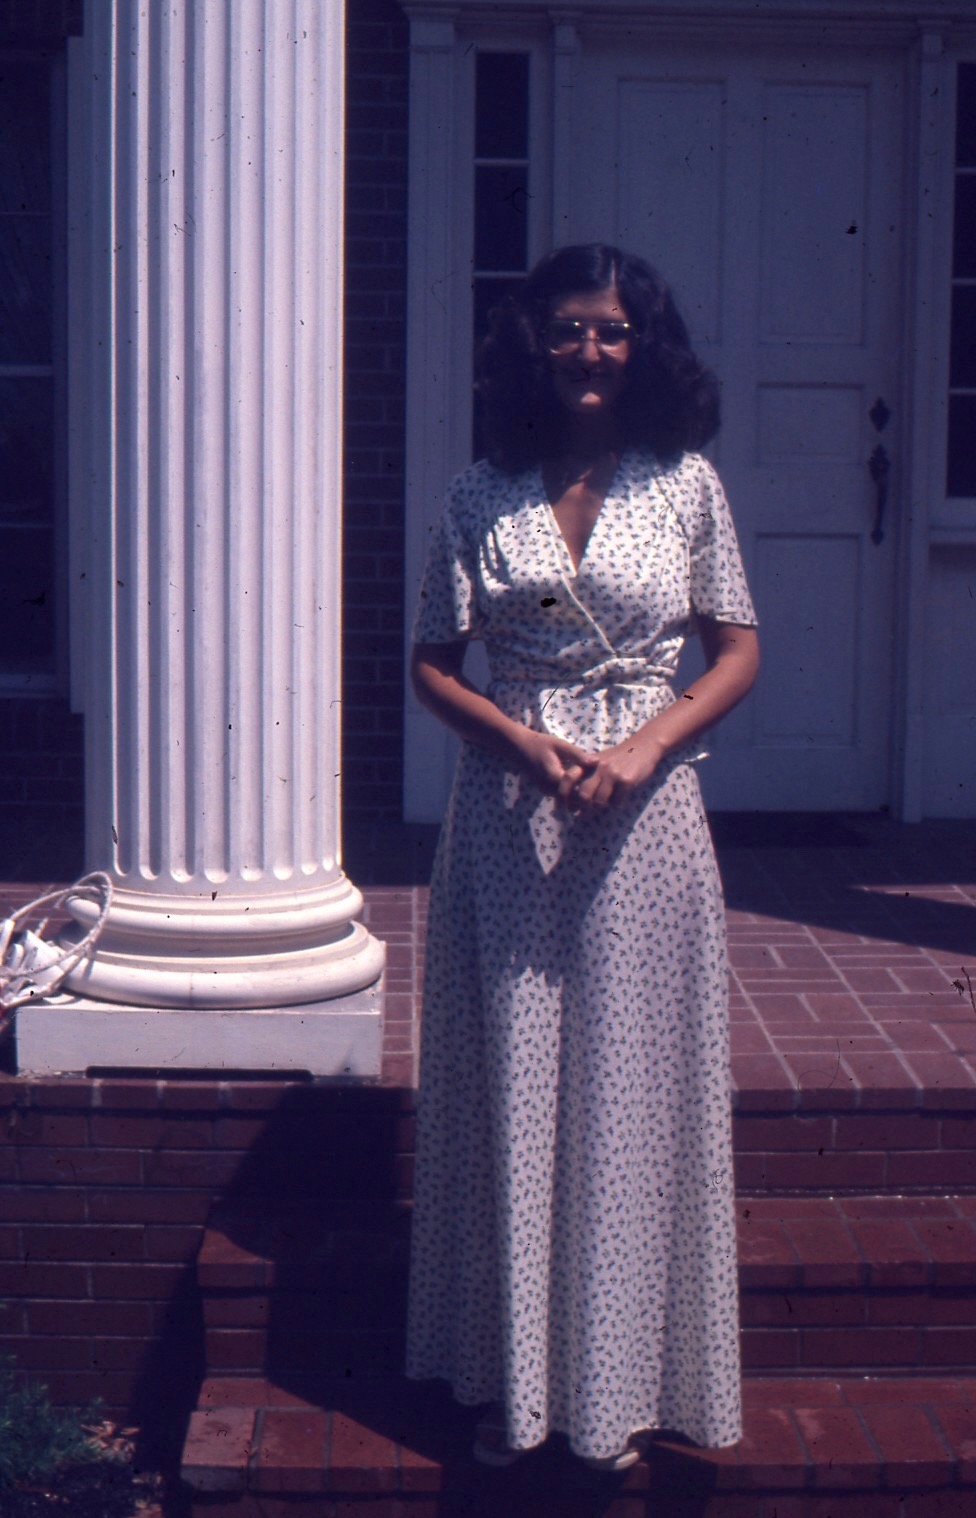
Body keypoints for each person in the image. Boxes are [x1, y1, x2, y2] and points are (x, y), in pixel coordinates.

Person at [405, 244, 759, 1472]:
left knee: (626, 1092)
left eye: (610, 329)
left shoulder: (686, 485)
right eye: (566, 329)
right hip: (510, 819)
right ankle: (514, 1389)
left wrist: (646, 749)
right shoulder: (479, 493)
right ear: (532, 345)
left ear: (642, 345)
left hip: (646, 820)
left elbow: (736, 651)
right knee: (516, 1084)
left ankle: (614, 1395)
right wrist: (519, 742)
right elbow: (432, 667)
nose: (588, 351)